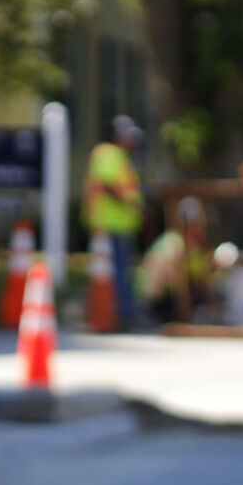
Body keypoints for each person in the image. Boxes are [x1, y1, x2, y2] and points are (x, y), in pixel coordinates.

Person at [85, 115, 145, 326]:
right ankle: (120, 315)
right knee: (116, 275)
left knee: (116, 273)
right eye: (128, 137)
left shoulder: (118, 155)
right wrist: (130, 203)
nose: (132, 143)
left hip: (117, 225)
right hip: (111, 225)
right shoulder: (109, 153)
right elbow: (107, 184)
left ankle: (115, 315)